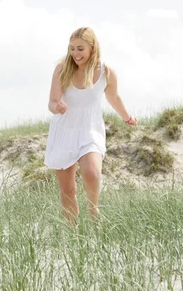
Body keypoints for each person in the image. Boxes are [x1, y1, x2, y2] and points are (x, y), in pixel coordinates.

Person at [45, 26, 137, 222]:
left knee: (92, 173)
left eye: (80, 48)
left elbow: (114, 98)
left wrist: (126, 117)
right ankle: (74, 235)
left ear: (92, 47)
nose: (75, 54)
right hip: (64, 131)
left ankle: (94, 213)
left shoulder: (106, 72)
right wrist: (57, 107)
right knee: (68, 189)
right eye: (71, 48)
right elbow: (52, 101)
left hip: (90, 130)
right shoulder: (62, 69)